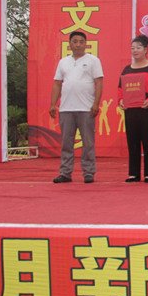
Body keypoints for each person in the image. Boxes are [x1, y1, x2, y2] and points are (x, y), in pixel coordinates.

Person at [49, 31, 103, 184]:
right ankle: (65, 173)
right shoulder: (63, 62)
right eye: (75, 41)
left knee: (88, 142)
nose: (78, 44)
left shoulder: (93, 60)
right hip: (66, 108)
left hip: (86, 108)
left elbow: (99, 83)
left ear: (86, 44)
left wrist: (96, 104)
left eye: (81, 42)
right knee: (66, 143)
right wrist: (53, 104)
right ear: (70, 44)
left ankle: (88, 172)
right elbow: (57, 83)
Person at [117, 35, 148, 183]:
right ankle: (134, 173)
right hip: (131, 110)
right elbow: (120, 89)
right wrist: (121, 100)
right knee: (132, 141)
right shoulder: (127, 69)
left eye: (138, 47)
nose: (135, 50)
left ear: (145, 50)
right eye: (132, 48)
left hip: (147, 109)